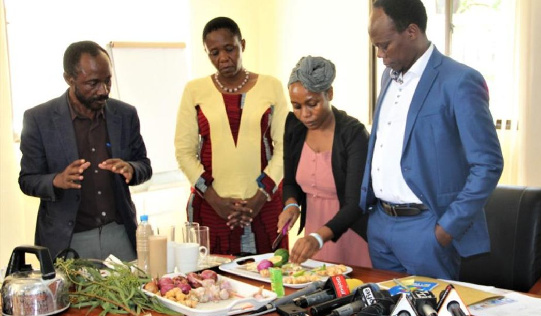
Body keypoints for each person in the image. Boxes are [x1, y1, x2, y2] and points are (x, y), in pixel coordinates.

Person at [360, 0, 504, 280]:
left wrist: (445, 229)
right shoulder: (389, 77)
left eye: (385, 45)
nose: (379, 55)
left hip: (426, 229)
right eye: (375, 46)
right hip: (380, 226)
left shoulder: (459, 81)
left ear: (412, 31)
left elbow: (488, 164)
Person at [18, 40, 152, 261]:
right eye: (93, 83)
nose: (104, 90)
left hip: (120, 234)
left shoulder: (125, 114)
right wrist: (56, 181)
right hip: (68, 240)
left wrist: (131, 168)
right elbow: (27, 180)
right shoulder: (39, 119)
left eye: (108, 81)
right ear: (69, 79)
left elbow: (144, 165)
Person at [175, 17, 288, 255]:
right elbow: (184, 152)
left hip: (264, 206)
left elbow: (284, 148)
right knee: (215, 283)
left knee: (269, 280)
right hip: (212, 209)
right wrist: (214, 199)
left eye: (229, 48)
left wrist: (259, 197)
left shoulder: (271, 86)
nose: (223, 58)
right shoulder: (194, 91)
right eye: (214, 52)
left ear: (242, 44)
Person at [278, 56, 371, 267]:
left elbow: (355, 204)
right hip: (311, 237)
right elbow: (291, 181)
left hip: (348, 232)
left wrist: (319, 237)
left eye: (312, 104)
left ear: (329, 93)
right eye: (297, 106)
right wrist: (291, 205)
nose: (305, 114)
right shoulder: (294, 126)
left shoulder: (353, 134)